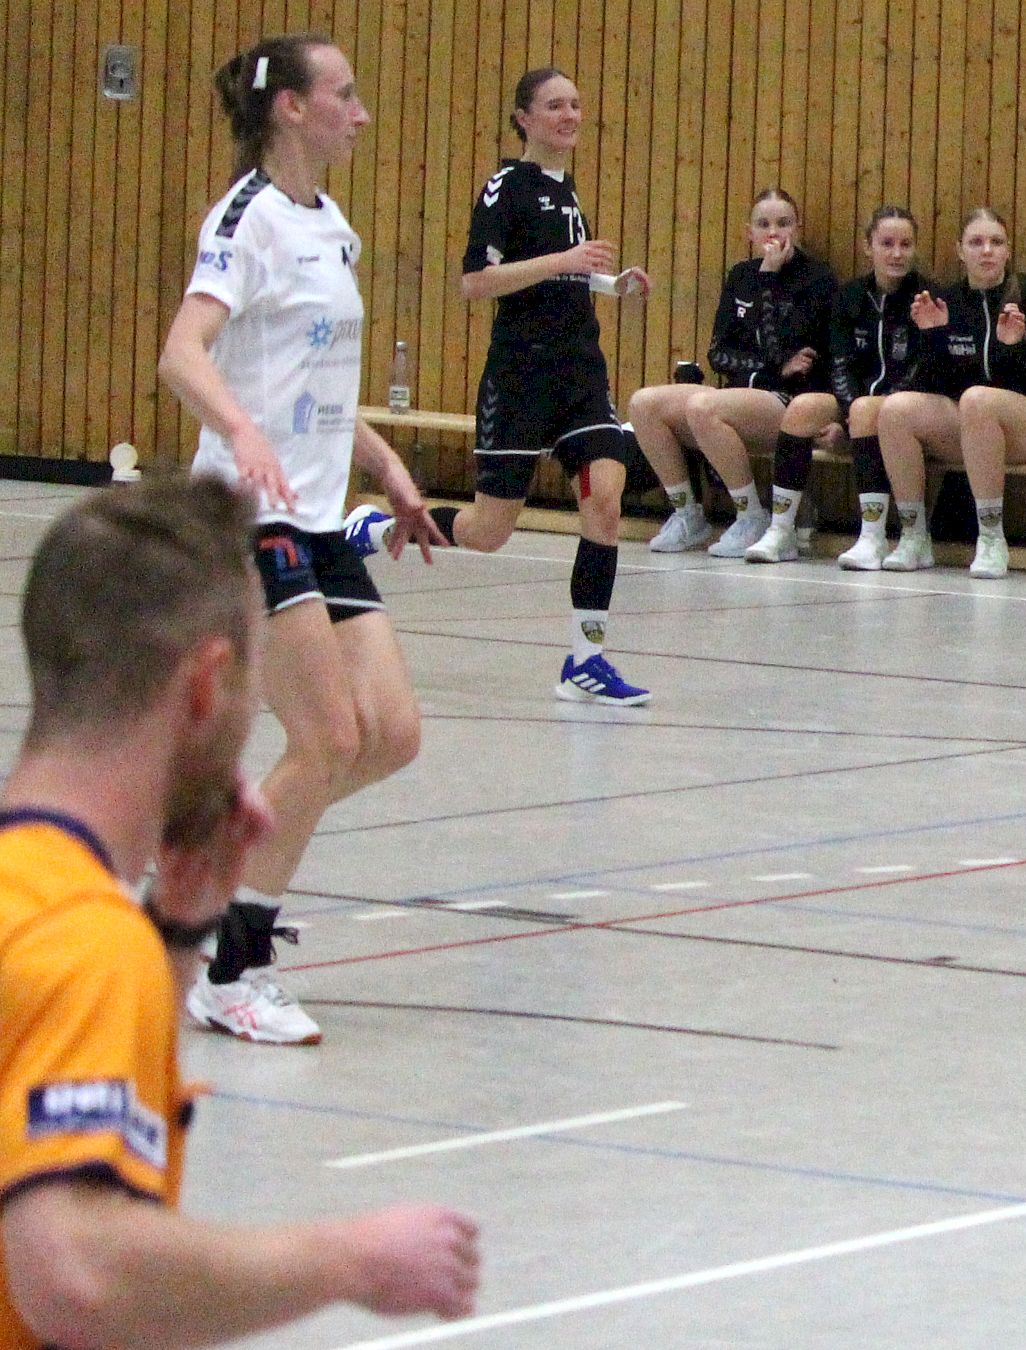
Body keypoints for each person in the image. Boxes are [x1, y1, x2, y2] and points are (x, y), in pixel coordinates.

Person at [0, 474, 481, 1348]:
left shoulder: (39, 900)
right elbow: (76, 1276)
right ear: (204, 688)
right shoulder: (84, 942)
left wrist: (182, 928)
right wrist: (350, 1260)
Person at [157, 33, 446, 1046]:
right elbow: (183, 351)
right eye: (345, 95)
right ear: (290, 108)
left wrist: (386, 465)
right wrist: (240, 432)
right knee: (327, 739)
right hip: (250, 510)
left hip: (321, 510)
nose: (361, 113)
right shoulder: (247, 220)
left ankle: (226, 835)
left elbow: (316, 376)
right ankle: (229, 967)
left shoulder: (334, 226)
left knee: (390, 735)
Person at [350, 68, 654, 705]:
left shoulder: (565, 189)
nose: (570, 115)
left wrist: (606, 283)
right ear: (524, 117)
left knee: (605, 501)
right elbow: (477, 282)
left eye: (576, 103)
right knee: (490, 532)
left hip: (580, 373)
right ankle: (374, 531)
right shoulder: (505, 187)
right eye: (554, 105)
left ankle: (586, 659)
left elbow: (556, 276)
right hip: (520, 377)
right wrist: (567, 263)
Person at [630, 188, 837, 559]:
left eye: (783, 223)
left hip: (789, 403)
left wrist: (771, 278)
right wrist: (770, 368)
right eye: (764, 224)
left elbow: (797, 362)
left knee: (704, 407)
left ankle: (750, 515)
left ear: (798, 228)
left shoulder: (817, 280)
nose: (773, 232)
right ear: (749, 232)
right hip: (743, 392)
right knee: (645, 404)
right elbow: (719, 353)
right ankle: (686, 514)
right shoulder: (741, 276)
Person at [874, 208, 1026, 579]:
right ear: (960, 251)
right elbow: (930, 386)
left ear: (1008, 250)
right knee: (895, 409)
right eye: (976, 242)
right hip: (974, 427)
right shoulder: (946, 301)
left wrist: (1015, 350)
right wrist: (933, 337)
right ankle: (914, 536)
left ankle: (991, 538)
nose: (987, 251)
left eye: (996, 242)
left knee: (977, 399)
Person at [768, 206, 928, 569]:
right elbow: (839, 362)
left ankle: (872, 536)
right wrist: (848, 414)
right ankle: (780, 530)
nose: (897, 253)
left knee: (868, 409)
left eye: (906, 244)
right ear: (868, 246)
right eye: (887, 243)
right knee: (802, 408)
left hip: (900, 408)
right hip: (855, 405)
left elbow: (920, 370)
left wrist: (858, 423)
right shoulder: (850, 296)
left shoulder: (925, 296)